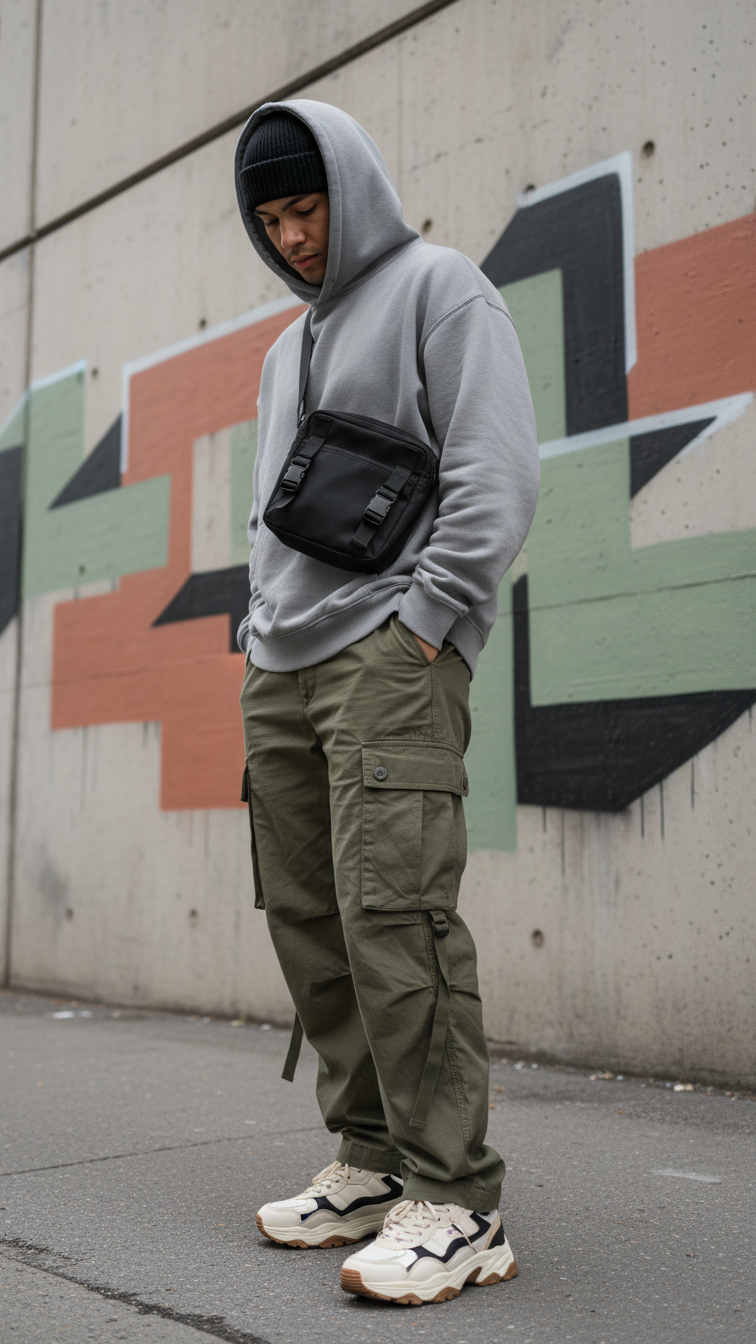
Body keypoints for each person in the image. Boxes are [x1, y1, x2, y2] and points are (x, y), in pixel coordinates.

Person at [234, 99, 539, 1307]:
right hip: (284, 662)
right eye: (271, 218)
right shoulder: (280, 347)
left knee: (396, 914)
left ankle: (457, 1199)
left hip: (388, 657)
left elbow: (497, 473)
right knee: (309, 917)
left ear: (348, 188)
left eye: (307, 206)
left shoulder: (439, 286)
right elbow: (267, 520)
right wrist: (259, 644)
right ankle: (370, 1156)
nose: (295, 236)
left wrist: (429, 622)